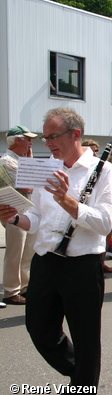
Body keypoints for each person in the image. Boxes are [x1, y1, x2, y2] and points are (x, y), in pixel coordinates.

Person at [0, 107, 112, 395]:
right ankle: (80, 377)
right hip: (47, 259)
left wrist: (67, 200)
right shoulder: (44, 168)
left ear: (75, 134)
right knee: (39, 328)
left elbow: (104, 224)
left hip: (82, 264)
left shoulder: (104, 170)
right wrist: (14, 219)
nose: (47, 143)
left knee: (86, 335)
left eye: (53, 136)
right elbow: (37, 218)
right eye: (45, 137)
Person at [1, 126, 37, 306]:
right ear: (16, 140)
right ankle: (11, 290)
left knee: (28, 251)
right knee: (16, 251)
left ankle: (24, 286)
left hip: (25, 209)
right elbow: (28, 187)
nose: (31, 143)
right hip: (13, 210)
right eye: (27, 139)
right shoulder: (7, 161)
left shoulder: (19, 160)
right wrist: (30, 163)